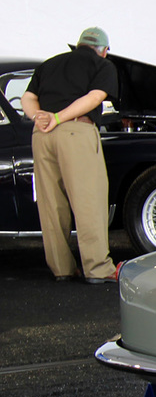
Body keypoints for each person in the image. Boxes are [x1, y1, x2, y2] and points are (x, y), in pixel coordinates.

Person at [21, 27, 118, 282]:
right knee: (88, 200)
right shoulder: (102, 65)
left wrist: (39, 118)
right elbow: (95, 96)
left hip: (41, 136)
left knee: (50, 202)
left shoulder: (49, 64)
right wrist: (58, 118)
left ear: (77, 45)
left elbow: (28, 97)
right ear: (104, 50)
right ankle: (98, 269)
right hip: (76, 132)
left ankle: (61, 268)